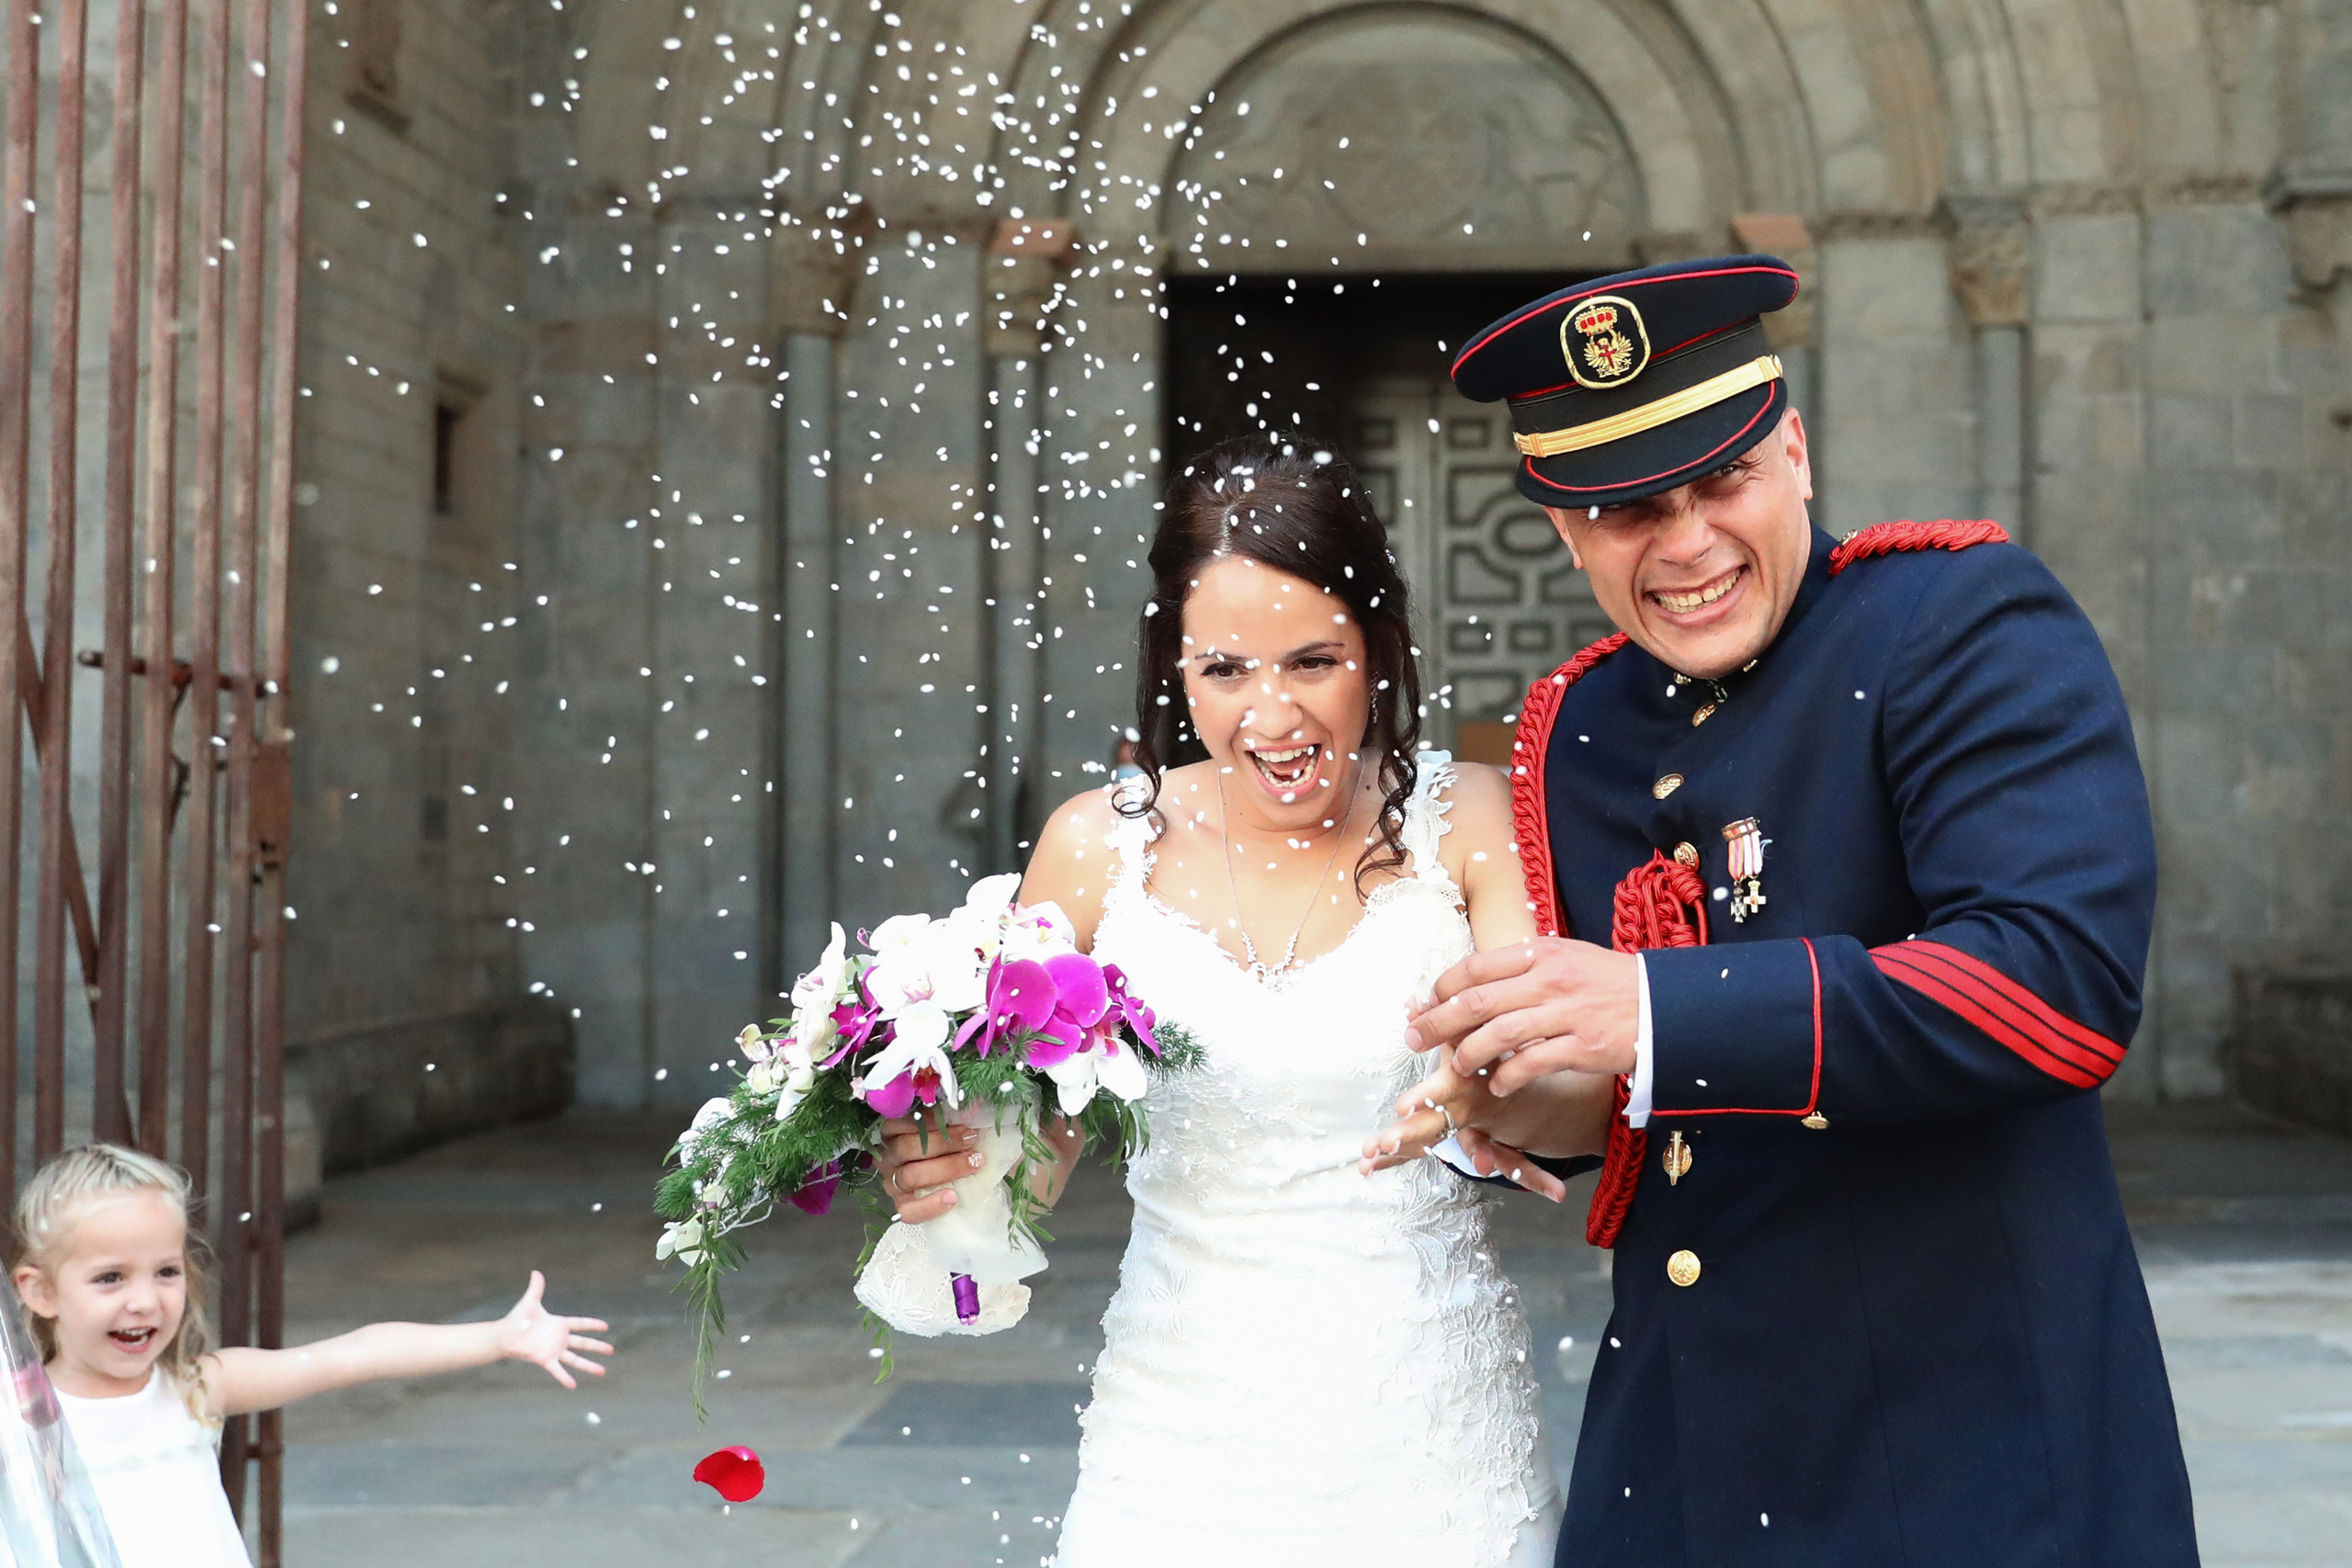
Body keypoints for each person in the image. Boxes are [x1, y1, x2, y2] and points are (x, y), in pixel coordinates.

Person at [1367, 255, 2199, 1565]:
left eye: (1724, 479)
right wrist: (1519, 1092)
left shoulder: (1955, 620)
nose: (1689, 540)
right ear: (1568, 531)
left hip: (1964, 1451)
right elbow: (1637, 1100)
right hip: (1684, 1452)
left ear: (1795, 451)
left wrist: (1644, 1006)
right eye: (1633, 508)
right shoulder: (1579, 727)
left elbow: (2055, 988)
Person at [875, 435, 1612, 1566]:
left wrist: (1487, 1095)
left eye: (1312, 661)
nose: (1269, 715)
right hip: (1176, 1437)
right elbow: (1037, 1151)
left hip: (1427, 1428)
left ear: (1377, 650)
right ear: (1176, 668)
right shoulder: (1092, 850)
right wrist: (953, 1161)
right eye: (1225, 671)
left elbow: (1575, 1100)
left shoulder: (1467, 824)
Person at [8, 1143, 615, 1568]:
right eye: (111, 1277)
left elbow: (358, 1352)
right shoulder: (17, 1412)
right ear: (39, 1289)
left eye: (165, 1271)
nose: (144, 1300)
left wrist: (496, 1338)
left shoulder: (197, 1388)